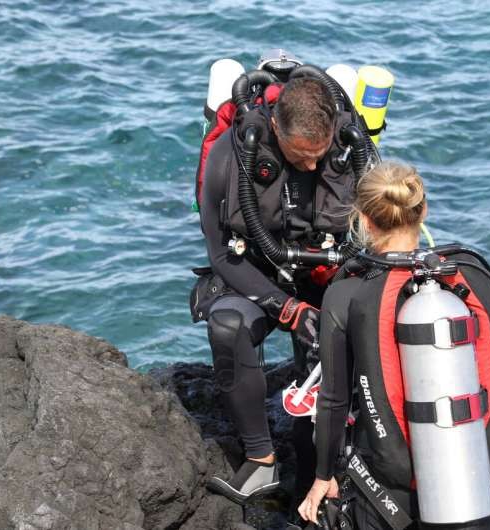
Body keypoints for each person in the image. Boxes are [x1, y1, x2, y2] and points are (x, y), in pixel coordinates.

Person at [297, 161, 490, 529]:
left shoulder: (346, 291)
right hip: (474, 478)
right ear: (423, 210)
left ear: (364, 220)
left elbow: (333, 401)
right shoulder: (470, 276)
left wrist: (323, 478)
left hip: (389, 484)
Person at [195, 75, 364, 504]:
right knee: (227, 327)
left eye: (317, 156)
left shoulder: (348, 150)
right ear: (274, 126)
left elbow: (375, 236)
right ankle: (261, 460)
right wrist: (287, 308)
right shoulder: (229, 157)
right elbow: (220, 255)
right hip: (254, 272)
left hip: (324, 274)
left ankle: (323, 465)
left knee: (341, 337)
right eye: (300, 156)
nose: (310, 167)